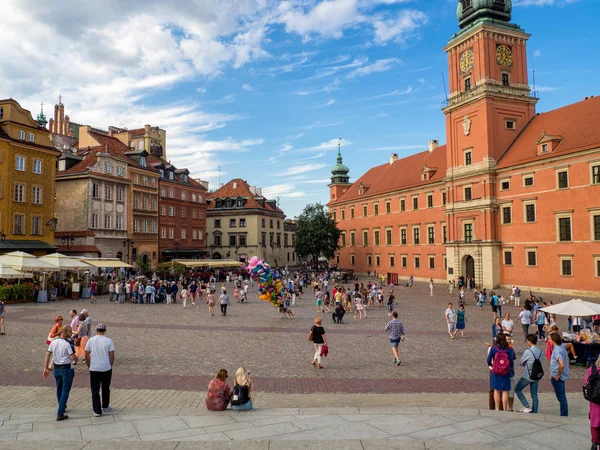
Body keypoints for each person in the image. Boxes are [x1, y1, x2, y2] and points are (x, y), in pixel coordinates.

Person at [43, 326, 78, 421]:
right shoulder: (68, 344)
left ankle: (61, 406)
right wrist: (76, 359)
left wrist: (45, 368)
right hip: (66, 369)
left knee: (59, 388)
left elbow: (48, 354)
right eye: (70, 332)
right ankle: (60, 412)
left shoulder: (54, 342)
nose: (71, 333)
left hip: (57, 369)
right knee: (65, 390)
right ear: (66, 332)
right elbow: (73, 357)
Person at [84, 323, 115, 417]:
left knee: (95, 390)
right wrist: (110, 365)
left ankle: (97, 410)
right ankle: (105, 406)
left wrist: (89, 365)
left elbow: (86, 354)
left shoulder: (91, 340)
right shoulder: (109, 341)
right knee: (106, 388)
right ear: (104, 331)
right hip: (106, 367)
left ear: (96, 330)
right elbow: (112, 355)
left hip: (94, 368)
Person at [514, 334, 543, 414]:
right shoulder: (541, 352)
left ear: (529, 342)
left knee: (517, 389)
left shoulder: (528, 351)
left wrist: (526, 363)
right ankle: (535, 411)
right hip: (536, 375)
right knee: (534, 394)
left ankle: (526, 406)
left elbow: (521, 362)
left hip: (528, 375)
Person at [487, 333, 515, 411]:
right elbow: (511, 362)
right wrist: (509, 367)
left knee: (496, 390)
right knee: (505, 391)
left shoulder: (494, 348)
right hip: (505, 372)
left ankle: (497, 408)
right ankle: (505, 408)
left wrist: (492, 366)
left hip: (496, 371)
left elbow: (488, 360)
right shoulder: (509, 349)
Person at [549, 332, 569, 416]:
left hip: (558, 377)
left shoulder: (557, 350)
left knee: (561, 397)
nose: (549, 340)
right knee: (561, 396)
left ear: (553, 340)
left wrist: (558, 374)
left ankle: (564, 415)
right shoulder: (562, 348)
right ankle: (564, 413)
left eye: (550, 339)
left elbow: (562, 364)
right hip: (561, 376)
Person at [585, 357, 600, 448]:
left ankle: (595, 442)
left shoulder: (592, 369)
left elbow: (586, 383)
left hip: (595, 401)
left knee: (595, 422)